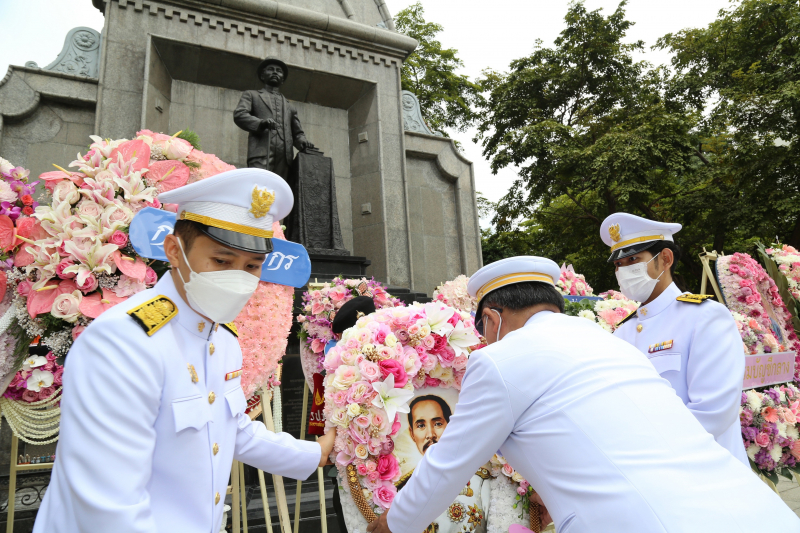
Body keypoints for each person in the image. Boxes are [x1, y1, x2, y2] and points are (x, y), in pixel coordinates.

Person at [366, 256, 798, 533]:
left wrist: (391, 525)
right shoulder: (610, 341)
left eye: (481, 330)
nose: (483, 341)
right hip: (758, 511)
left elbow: (446, 466)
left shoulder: (501, 358)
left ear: (493, 318)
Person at [33, 168, 336, 533]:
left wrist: (313, 454)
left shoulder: (221, 338)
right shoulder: (122, 342)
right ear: (175, 250)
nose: (239, 278)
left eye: (252, 266)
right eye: (222, 261)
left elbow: (229, 426)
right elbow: (109, 509)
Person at [600, 213, 748, 466]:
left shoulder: (705, 317)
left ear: (665, 259)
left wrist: (642, 452)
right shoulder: (622, 333)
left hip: (709, 472)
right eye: (618, 265)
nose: (623, 271)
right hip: (651, 473)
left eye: (633, 259)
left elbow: (714, 412)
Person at [234, 57, 314, 180]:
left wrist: (302, 141)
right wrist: (261, 123)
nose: (275, 72)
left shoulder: (290, 106)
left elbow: (298, 133)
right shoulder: (251, 95)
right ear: (262, 75)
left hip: (285, 158)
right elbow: (240, 115)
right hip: (261, 153)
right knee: (258, 188)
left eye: (279, 71)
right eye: (270, 69)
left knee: (279, 192)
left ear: (283, 79)